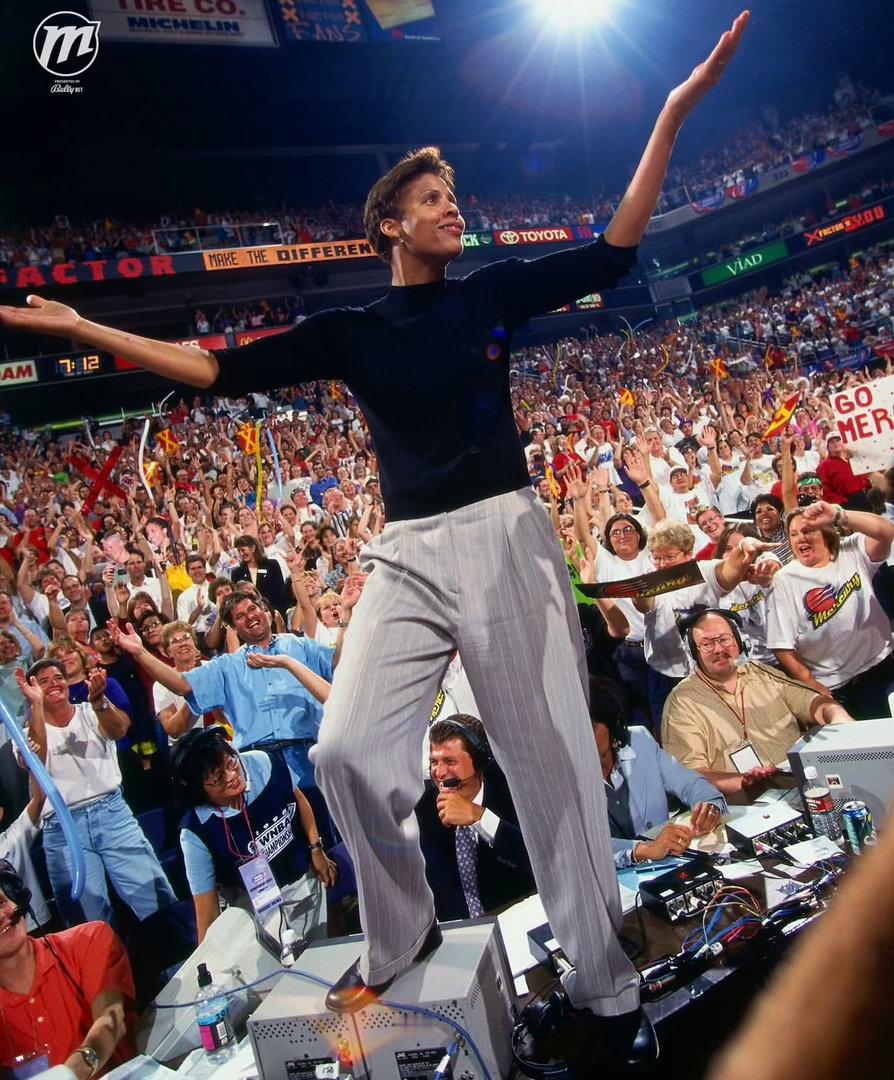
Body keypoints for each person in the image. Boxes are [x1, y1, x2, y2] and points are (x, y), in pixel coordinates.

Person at [0, 13, 750, 1063]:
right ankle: (401, 935)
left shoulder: (490, 295)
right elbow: (214, 370)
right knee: (346, 748)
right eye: (434, 199)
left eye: (454, 195)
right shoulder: (350, 333)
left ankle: (607, 995)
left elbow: (615, 249)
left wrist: (671, 112)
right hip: (406, 550)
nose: (455, 207)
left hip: (505, 535)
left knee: (550, 774)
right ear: (390, 225)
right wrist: (85, 329)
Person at [20, 659, 176, 926]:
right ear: (32, 691)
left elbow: (119, 730)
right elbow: (36, 759)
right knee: (88, 923)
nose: (53, 684)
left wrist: (99, 700)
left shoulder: (90, 711)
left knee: (154, 898)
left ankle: (178, 950)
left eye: (58, 677)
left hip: (111, 814)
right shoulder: (26, 733)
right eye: (43, 682)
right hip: (63, 829)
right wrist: (36, 705)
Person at [663, 610, 853, 800]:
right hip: (744, 802)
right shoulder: (681, 702)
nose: (719, 649)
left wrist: (834, 713)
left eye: (724, 639)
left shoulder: (759, 672)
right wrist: (744, 782)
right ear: (693, 651)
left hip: (800, 785)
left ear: (739, 641)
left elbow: (811, 702)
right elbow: (690, 773)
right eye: (707, 644)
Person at [172, 726, 338, 943]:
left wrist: (317, 849)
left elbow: (298, 799)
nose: (232, 776)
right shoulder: (195, 830)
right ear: (197, 789)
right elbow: (207, 912)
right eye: (219, 778)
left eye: (231, 763)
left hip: (301, 884)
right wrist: (209, 957)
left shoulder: (263, 763)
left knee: (318, 952)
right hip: (252, 909)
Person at [0, 860, 136, 1078]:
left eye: (0, 902)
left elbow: (111, 1019)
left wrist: (72, 1072)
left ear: (19, 899)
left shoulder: (89, 940)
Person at [767, 501, 894, 718]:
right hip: (838, 687)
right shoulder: (783, 580)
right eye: (794, 534)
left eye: (807, 530)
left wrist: (838, 515)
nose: (800, 538)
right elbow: (781, 646)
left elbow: (887, 532)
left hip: (881, 666)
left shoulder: (850, 551)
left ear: (825, 533)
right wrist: (812, 684)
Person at [589, 677, 726, 868]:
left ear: (610, 723)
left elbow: (689, 782)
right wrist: (643, 849)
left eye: (591, 727)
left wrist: (709, 806)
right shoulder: (563, 781)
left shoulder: (639, 740)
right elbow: (581, 847)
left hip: (671, 864)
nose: (583, 739)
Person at [415, 715, 536, 920]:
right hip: (460, 931)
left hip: (519, 918)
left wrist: (480, 817)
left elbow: (540, 863)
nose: (440, 772)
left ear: (480, 763)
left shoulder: (515, 793)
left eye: (450, 761)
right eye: (434, 762)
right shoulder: (421, 810)